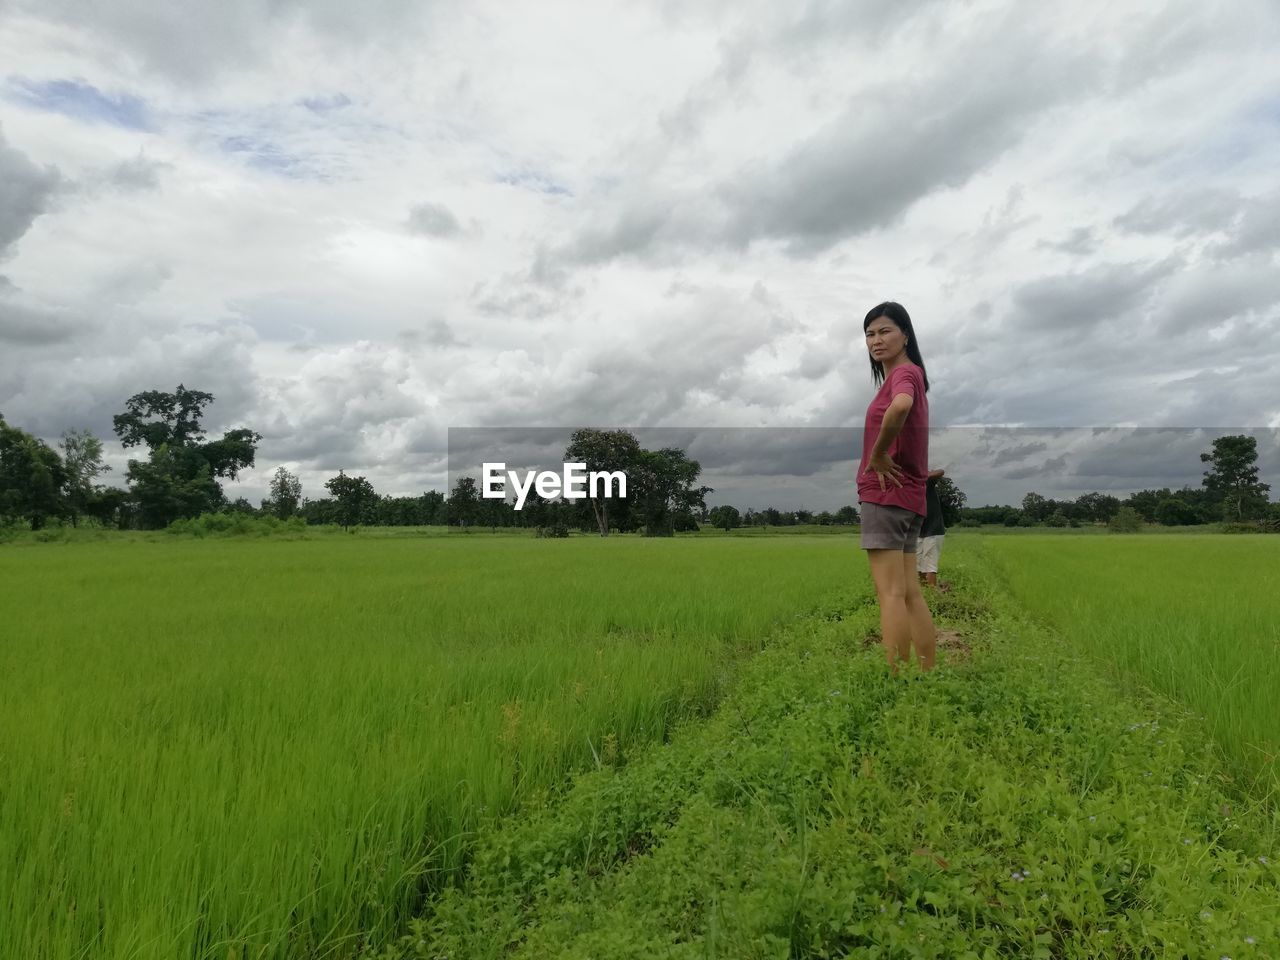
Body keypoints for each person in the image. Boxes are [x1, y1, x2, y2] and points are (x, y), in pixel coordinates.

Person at [856, 301, 937, 675]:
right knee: (908, 592)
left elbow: (900, 407)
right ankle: (924, 674)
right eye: (870, 333)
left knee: (890, 594)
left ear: (906, 334)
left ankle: (896, 680)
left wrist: (877, 455)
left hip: (885, 494)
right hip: (909, 498)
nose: (876, 339)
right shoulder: (912, 374)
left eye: (885, 330)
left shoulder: (904, 376)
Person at [917, 468, 950, 592]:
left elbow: (941, 471)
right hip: (918, 531)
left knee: (929, 565)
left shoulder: (924, 481)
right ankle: (925, 594)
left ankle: (933, 597)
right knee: (918, 565)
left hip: (933, 530)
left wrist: (923, 475)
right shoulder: (905, 487)